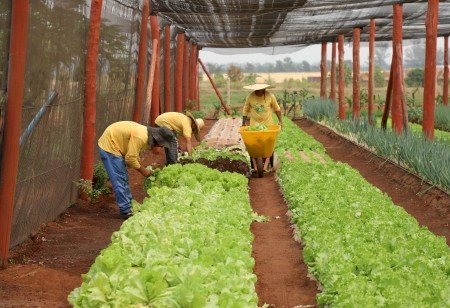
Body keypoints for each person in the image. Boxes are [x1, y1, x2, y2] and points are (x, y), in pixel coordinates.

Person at [98, 121, 177, 218]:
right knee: (119, 179)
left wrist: (137, 164)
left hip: (115, 143)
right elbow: (130, 158)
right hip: (110, 145)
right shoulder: (141, 137)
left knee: (123, 178)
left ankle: (130, 206)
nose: (161, 147)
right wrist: (143, 170)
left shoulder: (146, 135)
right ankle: (126, 210)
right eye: (162, 144)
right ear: (158, 140)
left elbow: (134, 153)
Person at [242, 77, 283, 170]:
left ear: (265, 88)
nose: (261, 90)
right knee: (254, 145)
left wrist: (280, 121)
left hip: (268, 126)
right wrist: (243, 122)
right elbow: (245, 110)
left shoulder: (270, 96)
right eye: (259, 89)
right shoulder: (250, 97)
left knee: (268, 145)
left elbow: (277, 109)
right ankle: (254, 164)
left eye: (262, 88)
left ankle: (270, 162)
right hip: (254, 127)